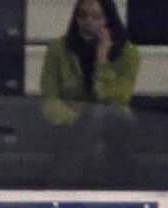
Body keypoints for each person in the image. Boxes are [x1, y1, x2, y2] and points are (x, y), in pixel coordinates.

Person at [40, 0, 141, 185]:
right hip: (69, 122)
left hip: (115, 121)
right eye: (82, 15)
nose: (88, 21)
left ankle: (62, 183)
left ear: (108, 19)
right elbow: (50, 98)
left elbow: (118, 98)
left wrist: (102, 59)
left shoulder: (129, 53)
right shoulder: (58, 49)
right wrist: (79, 120)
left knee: (99, 114)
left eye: (96, 16)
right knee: (93, 118)